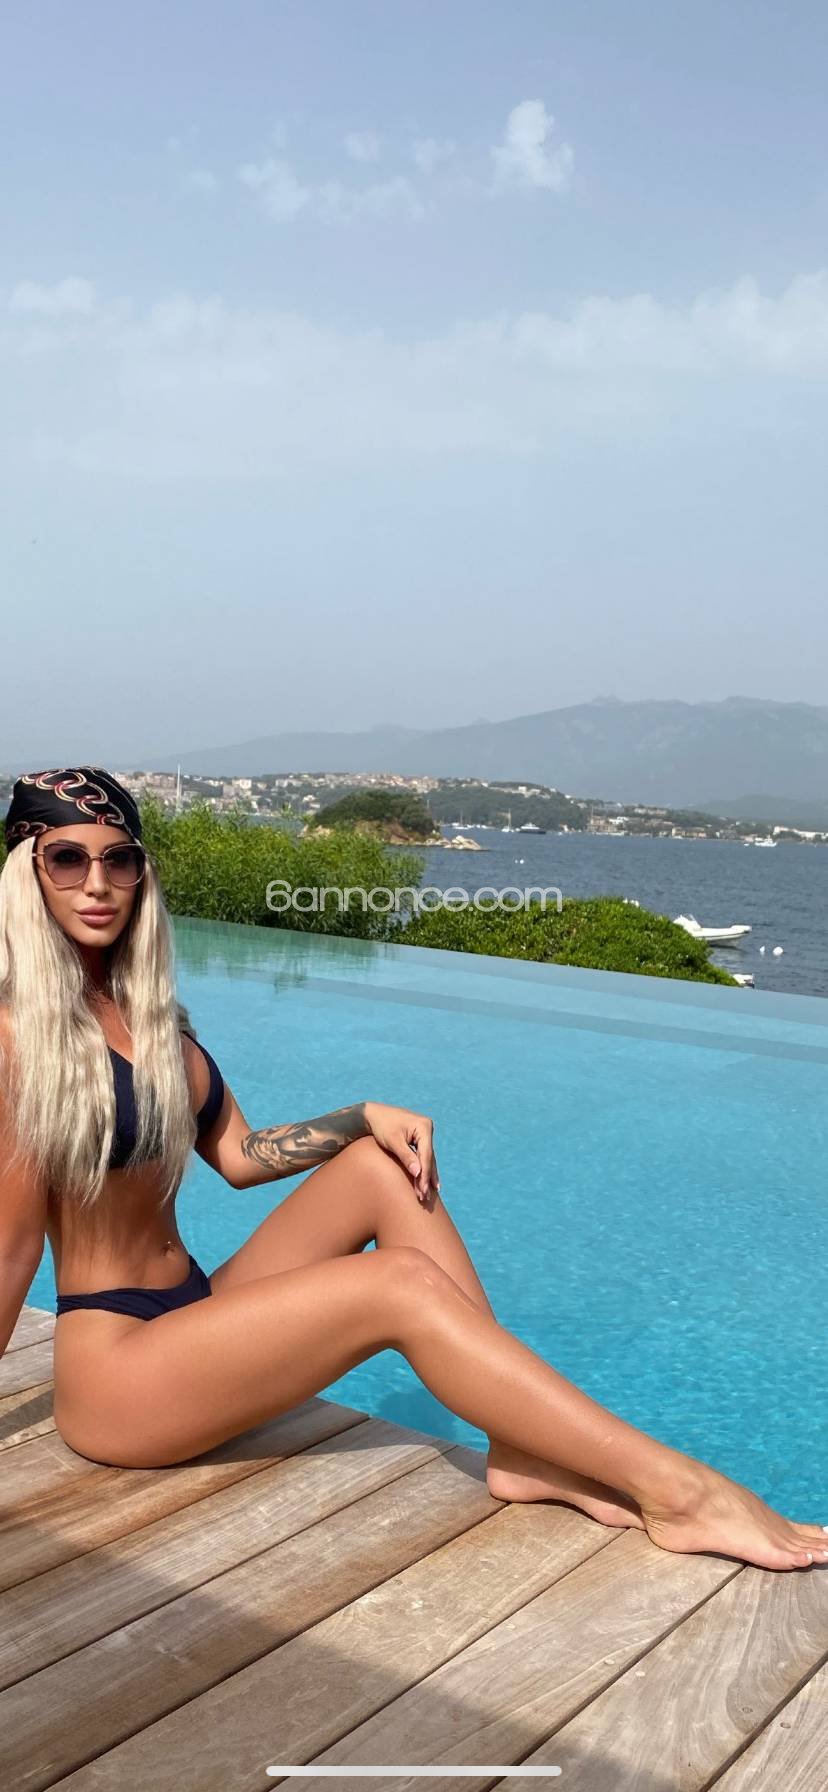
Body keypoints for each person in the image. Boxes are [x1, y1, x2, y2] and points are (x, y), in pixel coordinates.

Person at [0, 765, 825, 1575]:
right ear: (27, 875)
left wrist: (360, 1117)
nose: (97, 882)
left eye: (119, 859)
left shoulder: (153, 1025)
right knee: (397, 1284)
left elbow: (241, 1158)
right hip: (118, 1376)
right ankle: (679, 1490)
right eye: (67, 859)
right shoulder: (15, 1042)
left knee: (381, 1167)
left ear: (142, 875)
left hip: (192, 1313)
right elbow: (10, 1253)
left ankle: (521, 1446)